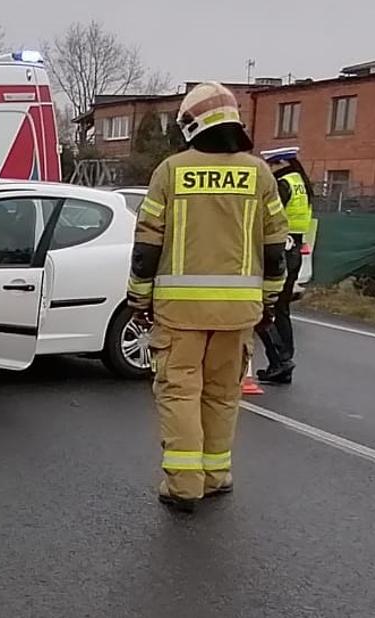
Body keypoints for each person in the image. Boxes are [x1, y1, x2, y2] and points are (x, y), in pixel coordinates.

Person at [127, 82, 289, 514]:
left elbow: (146, 250)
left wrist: (138, 300)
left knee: (180, 393)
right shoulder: (260, 175)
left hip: (179, 314)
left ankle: (183, 484)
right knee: (222, 394)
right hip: (238, 314)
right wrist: (270, 302)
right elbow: (276, 249)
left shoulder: (171, 171)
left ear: (191, 124)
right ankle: (216, 475)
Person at [256, 147, 311, 384]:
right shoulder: (301, 183)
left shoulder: (283, 185)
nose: (267, 169)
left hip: (280, 251)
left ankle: (280, 361)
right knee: (281, 309)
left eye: (270, 164)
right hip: (294, 249)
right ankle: (284, 360)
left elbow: (267, 218)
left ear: (278, 163)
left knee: (262, 309)